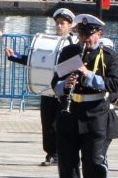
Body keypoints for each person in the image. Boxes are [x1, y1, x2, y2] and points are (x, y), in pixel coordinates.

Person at [50, 14, 118, 178]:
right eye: (81, 34)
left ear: (98, 34)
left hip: (95, 113)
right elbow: (55, 84)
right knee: (67, 164)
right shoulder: (68, 52)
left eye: (89, 35)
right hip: (70, 113)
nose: (84, 39)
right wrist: (65, 85)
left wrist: (87, 74)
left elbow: (115, 85)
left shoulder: (109, 56)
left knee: (92, 162)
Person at [5, 8, 78, 166]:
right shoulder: (49, 41)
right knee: (48, 122)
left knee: (64, 123)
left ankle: (64, 153)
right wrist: (15, 56)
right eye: (57, 23)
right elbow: (36, 61)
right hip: (47, 88)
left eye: (62, 23)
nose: (58, 26)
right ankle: (51, 153)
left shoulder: (75, 44)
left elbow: (78, 65)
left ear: (70, 25)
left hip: (66, 90)